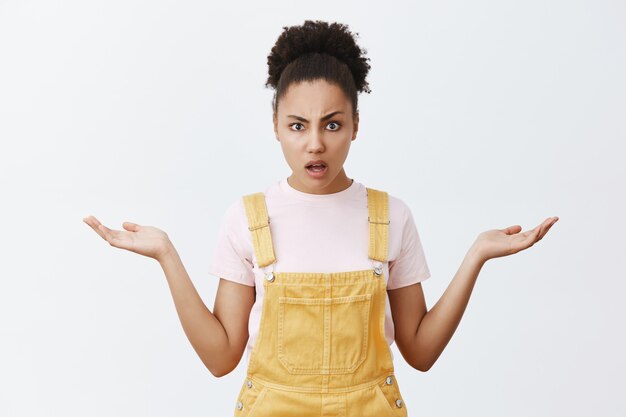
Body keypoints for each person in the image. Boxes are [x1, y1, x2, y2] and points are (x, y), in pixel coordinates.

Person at [83, 19, 558, 417]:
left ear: (355, 123)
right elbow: (220, 357)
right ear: (275, 127)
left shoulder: (390, 216)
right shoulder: (249, 218)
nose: (315, 143)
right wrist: (166, 254)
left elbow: (421, 352)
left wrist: (477, 255)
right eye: (297, 125)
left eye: (333, 124)